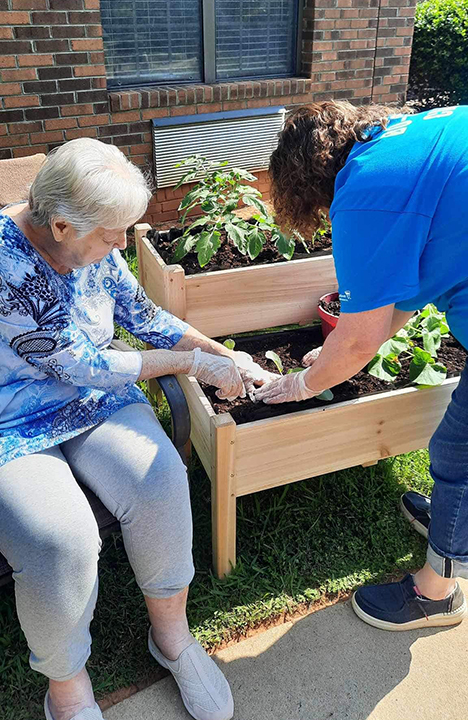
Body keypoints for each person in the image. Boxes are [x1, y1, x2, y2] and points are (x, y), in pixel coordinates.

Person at [0, 138, 274, 720]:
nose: (121, 245)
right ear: (61, 226)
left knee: (160, 483)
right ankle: (67, 689)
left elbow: (143, 318)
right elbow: (84, 364)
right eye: (111, 234)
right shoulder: (6, 264)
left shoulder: (92, 238)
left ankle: (171, 636)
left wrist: (224, 356)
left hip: (94, 398)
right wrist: (194, 366)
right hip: (13, 417)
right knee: (59, 538)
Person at [256, 101, 468, 631]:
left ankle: (437, 591)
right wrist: (341, 349)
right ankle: (454, 522)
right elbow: (402, 294)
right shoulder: (411, 135)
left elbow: (357, 344)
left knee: (457, 454)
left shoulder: (366, 192)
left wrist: (304, 382)